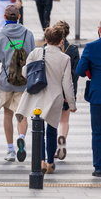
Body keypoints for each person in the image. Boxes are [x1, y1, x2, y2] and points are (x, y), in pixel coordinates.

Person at [16, 26, 76, 174]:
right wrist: (72, 103)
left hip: (37, 95)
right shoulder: (65, 58)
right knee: (52, 130)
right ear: (61, 41)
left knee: (38, 130)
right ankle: (50, 162)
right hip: (55, 97)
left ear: (46, 39)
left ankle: (41, 161)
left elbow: (25, 72)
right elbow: (67, 83)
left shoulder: (36, 52)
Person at [0, 5, 35, 162]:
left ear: (5, 17)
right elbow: (33, 56)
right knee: (22, 115)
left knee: (7, 115)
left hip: (6, 81)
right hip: (24, 81)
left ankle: (10, 150)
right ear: (19, 17)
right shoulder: (28, 34)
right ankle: (21, 136)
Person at [76, 21, 101, 177]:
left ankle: (98, 166)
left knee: (97, 132)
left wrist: (90, 71)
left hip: (97, 95)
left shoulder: (91, 47)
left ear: (99, 30)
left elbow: (79, 70)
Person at [54, 21, 79, 161]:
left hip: (53, 89)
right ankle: (61, 142)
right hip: (68, 89)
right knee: (64, 120)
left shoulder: (50, 48)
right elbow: (76, 72)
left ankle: (52, 146)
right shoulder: (73, 49)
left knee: (52, 120)